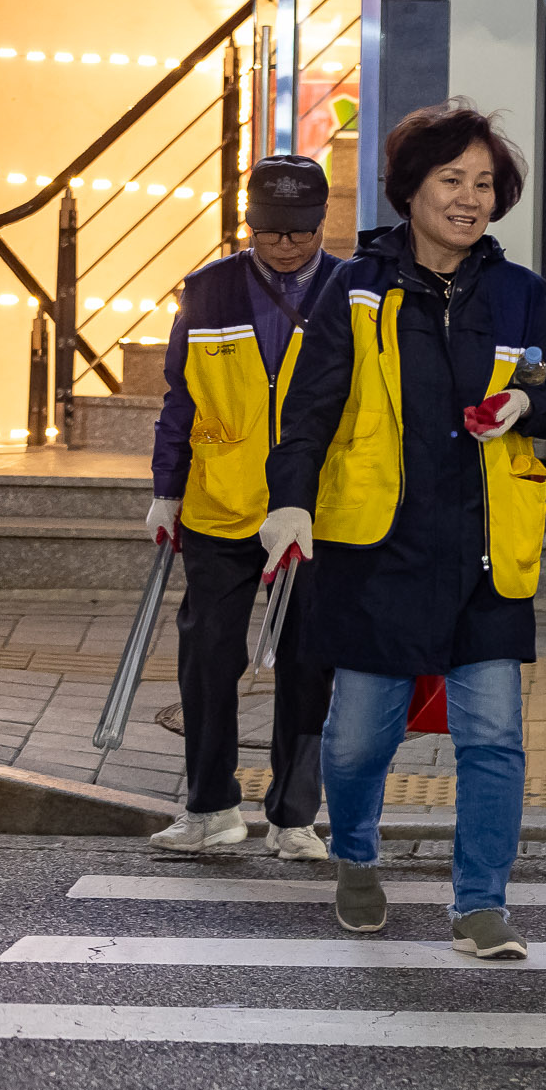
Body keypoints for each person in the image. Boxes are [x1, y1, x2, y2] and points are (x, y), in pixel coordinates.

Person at [263, 101, 546, 959]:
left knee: (495, 737)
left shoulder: (520, 295)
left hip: (485, 551)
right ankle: (357, 854)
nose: (470, 198)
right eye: (452, 180)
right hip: (379, 549)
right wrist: (289, 500)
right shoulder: (353, 288)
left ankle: (480, 903)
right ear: (412, 189)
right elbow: (308, 408)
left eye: (484, 183)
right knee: (362, 734)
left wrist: (527, 402)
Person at [141, 156, 341, 857]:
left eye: (301, 232)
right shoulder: (207, 289)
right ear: (247, 221)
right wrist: (167, 489)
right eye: (270, 231)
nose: (285, 246)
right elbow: (180, 399)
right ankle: (210, 806)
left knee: (309, 661)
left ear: (322, 223)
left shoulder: (351, 291)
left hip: (319, 509)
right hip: (219, 502)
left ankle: (293, 818)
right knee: (206, 655)